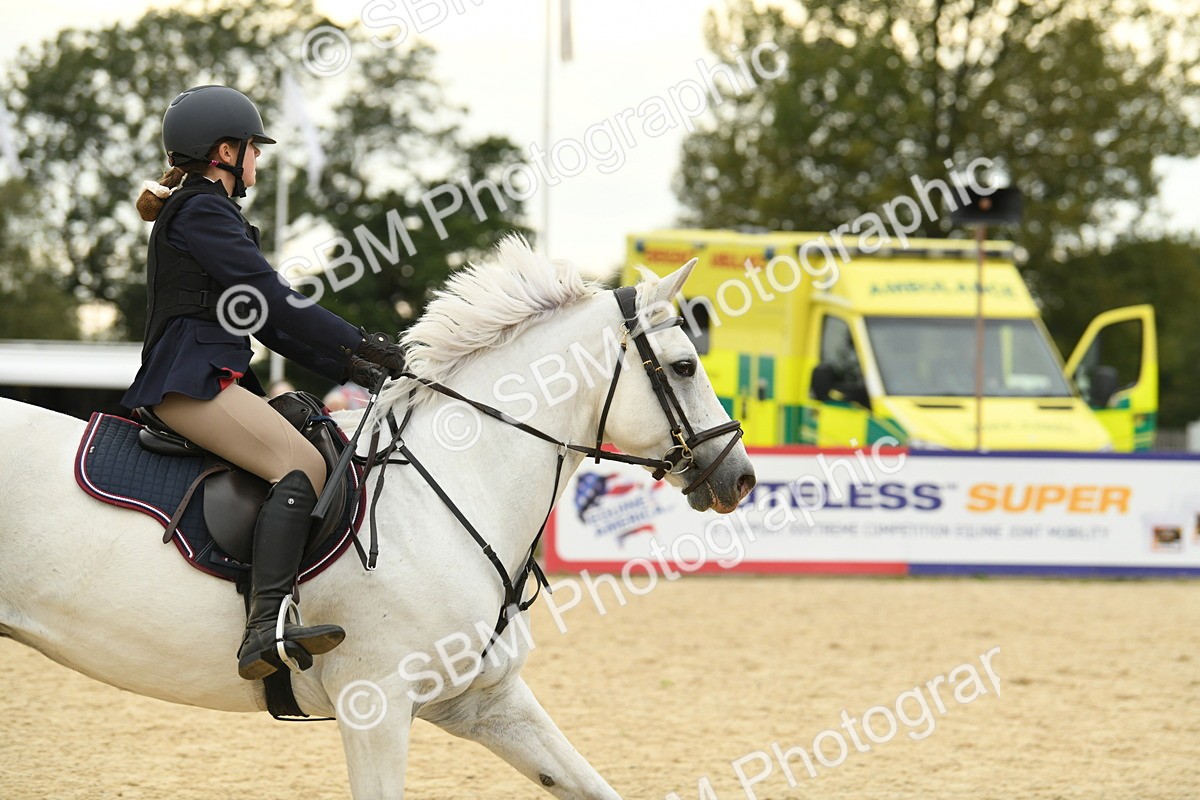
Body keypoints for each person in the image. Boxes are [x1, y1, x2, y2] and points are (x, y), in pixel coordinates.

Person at [123, 85, 405, 681]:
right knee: (302, 470)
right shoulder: (201, 210)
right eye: (254, 148)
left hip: (208, 376)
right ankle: (265, 627)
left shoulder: (212, 214)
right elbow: (277, 300)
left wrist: (356, 368)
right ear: (226, 152)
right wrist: (361, 340)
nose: (259, 160)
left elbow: (268, 325)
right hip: (189, 383)